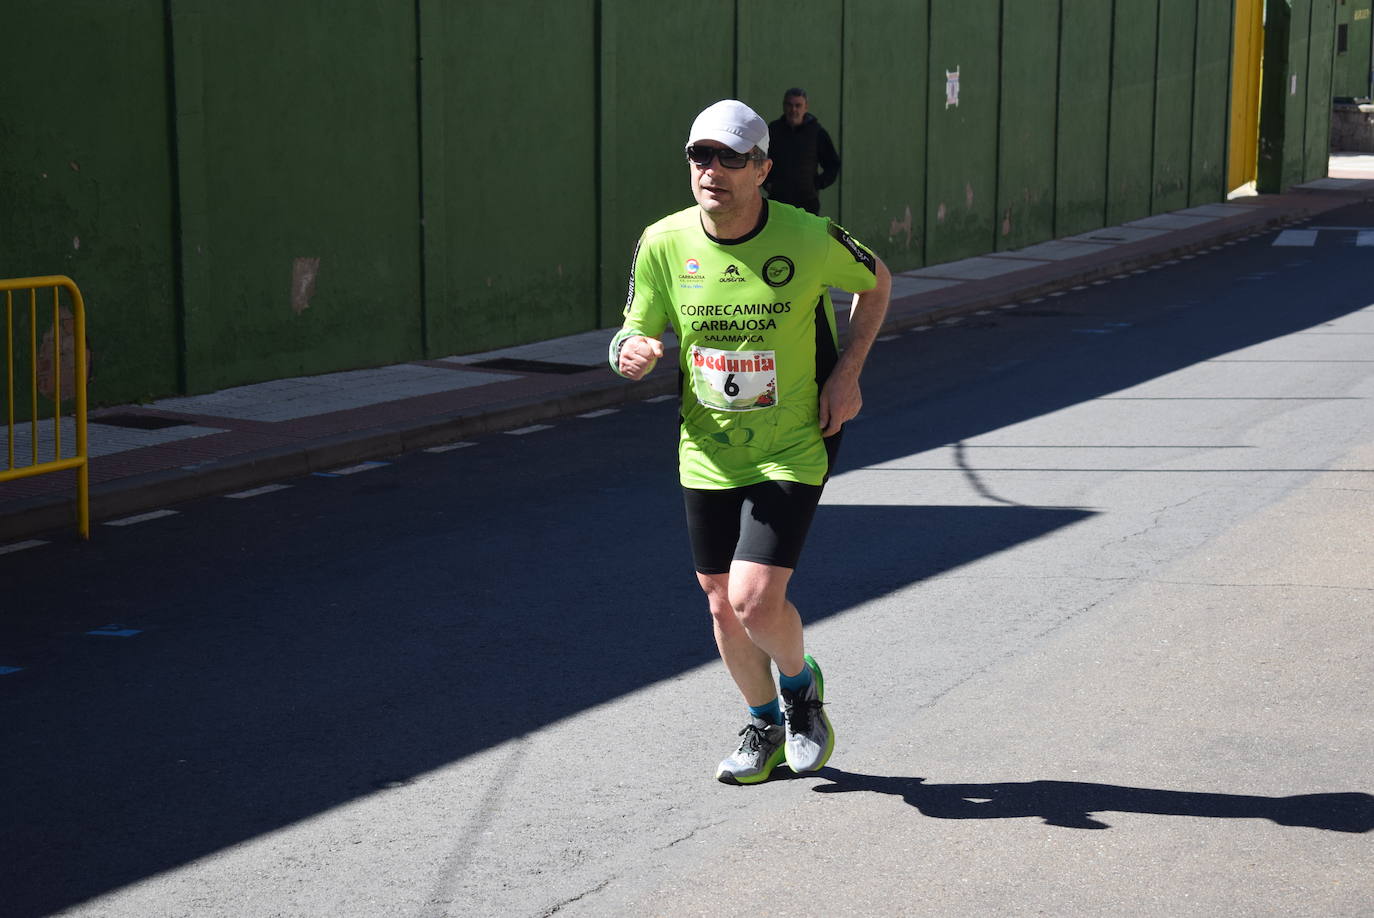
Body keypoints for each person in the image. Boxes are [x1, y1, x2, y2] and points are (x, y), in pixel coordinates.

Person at [609, 99, 891, 785]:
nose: (713, 171)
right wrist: (629, 352)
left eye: (731, 158)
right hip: (706, 446)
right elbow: (630, 331)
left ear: (762, 168)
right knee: (719, 603)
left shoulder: (807, 235)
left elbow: (877, 280)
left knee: (754, 599)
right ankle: (764, 722)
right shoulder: (664, 243)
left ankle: (800, 692)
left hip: (795, 439)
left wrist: (848, 372)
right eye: (700, 156)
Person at [764, 88, 841, 215]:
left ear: (806, 107)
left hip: (807, 203)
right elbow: (760, 159)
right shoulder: (773, 130)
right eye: (789, 105)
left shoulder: (816, 132)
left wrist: (816, 184)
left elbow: (833, 164)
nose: (793, 110)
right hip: (778, 203)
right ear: (784, 106)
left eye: (798, 105)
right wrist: (768, 184)